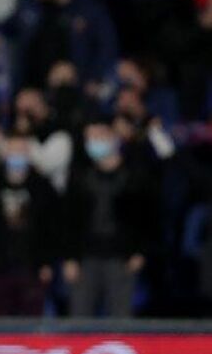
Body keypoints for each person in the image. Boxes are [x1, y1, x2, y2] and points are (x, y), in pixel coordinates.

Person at [62, 119, 157, 317]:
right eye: (89, 138)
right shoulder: (80, 176)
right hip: (86, 256)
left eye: (99, 136)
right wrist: (69, 256)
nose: (93, 142)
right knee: (80, 316)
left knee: (120, 317)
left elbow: (147, 217)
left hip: (121, 257)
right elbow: (69, 220)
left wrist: (140, 251)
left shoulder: (134, 175)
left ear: (113, 138)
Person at [0, 131, 59, 316]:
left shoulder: (43, 186)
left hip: (32, 267)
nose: (17, 156)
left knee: (31, 323)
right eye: (13, 151)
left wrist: (46, 262)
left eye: (21, 151)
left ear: (29, 154)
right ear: (5, 153)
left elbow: (51, 228)